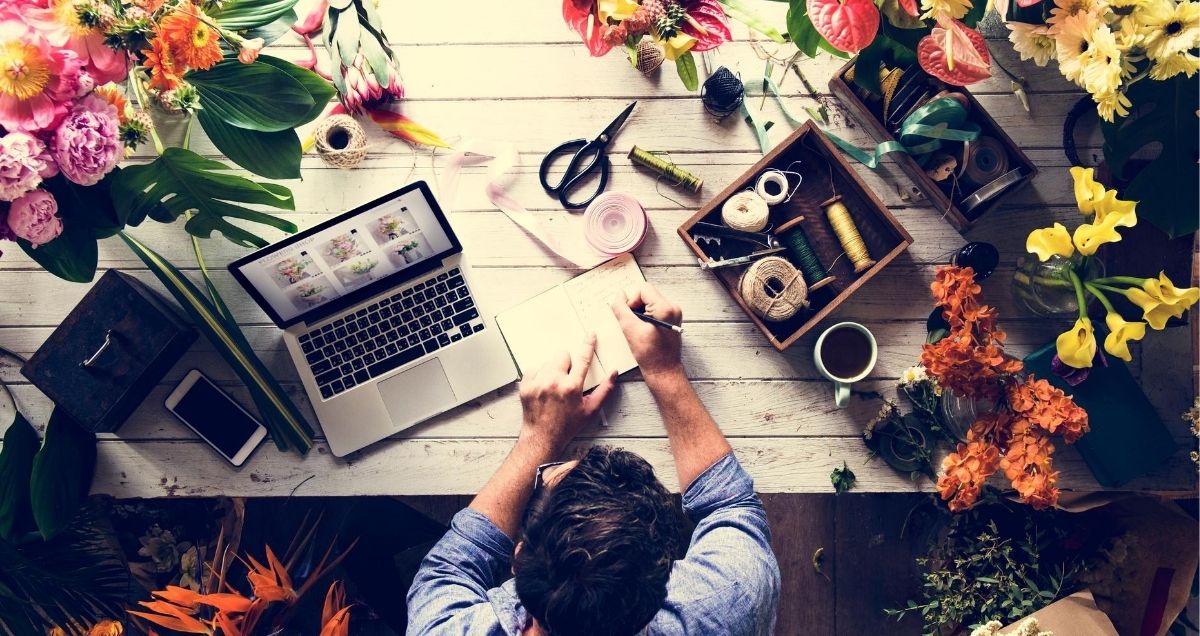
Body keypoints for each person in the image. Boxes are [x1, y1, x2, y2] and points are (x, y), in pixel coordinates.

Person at [406, 283, 780, 636]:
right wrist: (665, 371)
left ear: (517, 559)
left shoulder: (441, 628)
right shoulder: (733, 599)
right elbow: (730, 505)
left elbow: (450, 568)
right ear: (664, 583)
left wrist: (539, 439)